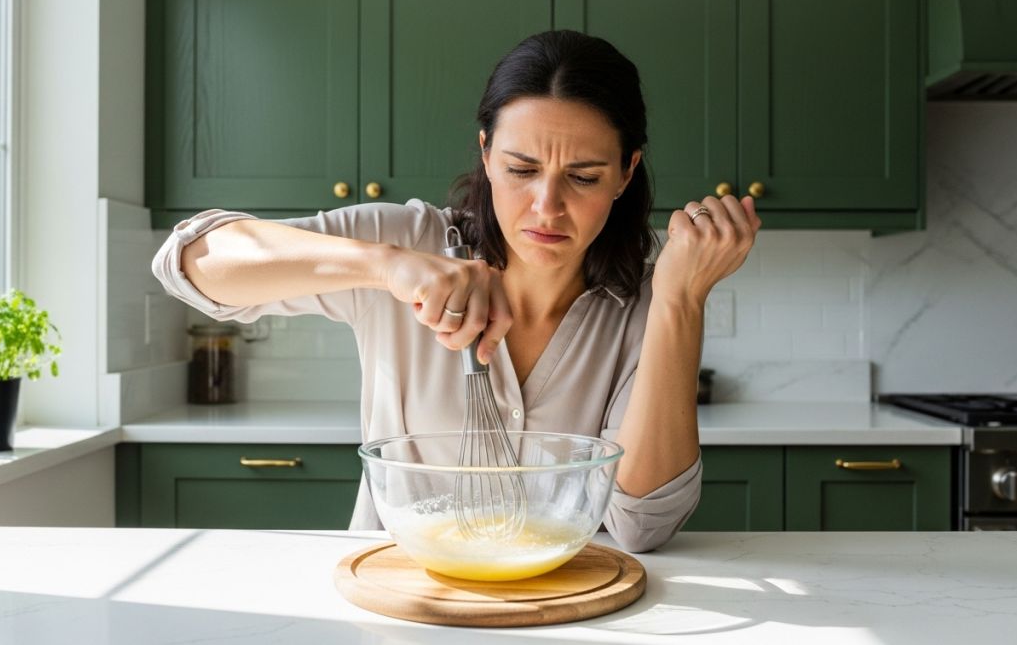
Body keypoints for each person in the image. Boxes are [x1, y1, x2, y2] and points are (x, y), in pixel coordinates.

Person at [152, 30, 759, 552]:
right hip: (400, 599)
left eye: (583, 176)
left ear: (627, 171)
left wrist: (682, 298)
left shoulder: (645, 303)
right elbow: (189, 261)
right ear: (486, 153)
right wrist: (386, 266)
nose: (547, 207)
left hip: (563, 607)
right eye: (522, 169)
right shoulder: (409, 239)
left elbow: (642, 525)